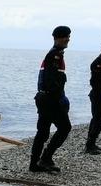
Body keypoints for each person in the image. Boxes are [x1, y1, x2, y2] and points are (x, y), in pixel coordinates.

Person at [30, 26, 72, 173]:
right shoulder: (54, 55)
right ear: (57, 38)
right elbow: (51, 82)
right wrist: (60, 98)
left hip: (44, 98)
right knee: (65, 127)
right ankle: (45, 158)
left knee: (42, 132)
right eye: (65, 36)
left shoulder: (57, 54)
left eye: (68, 36)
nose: (68, 39)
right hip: (49, 100)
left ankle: (34, 164)